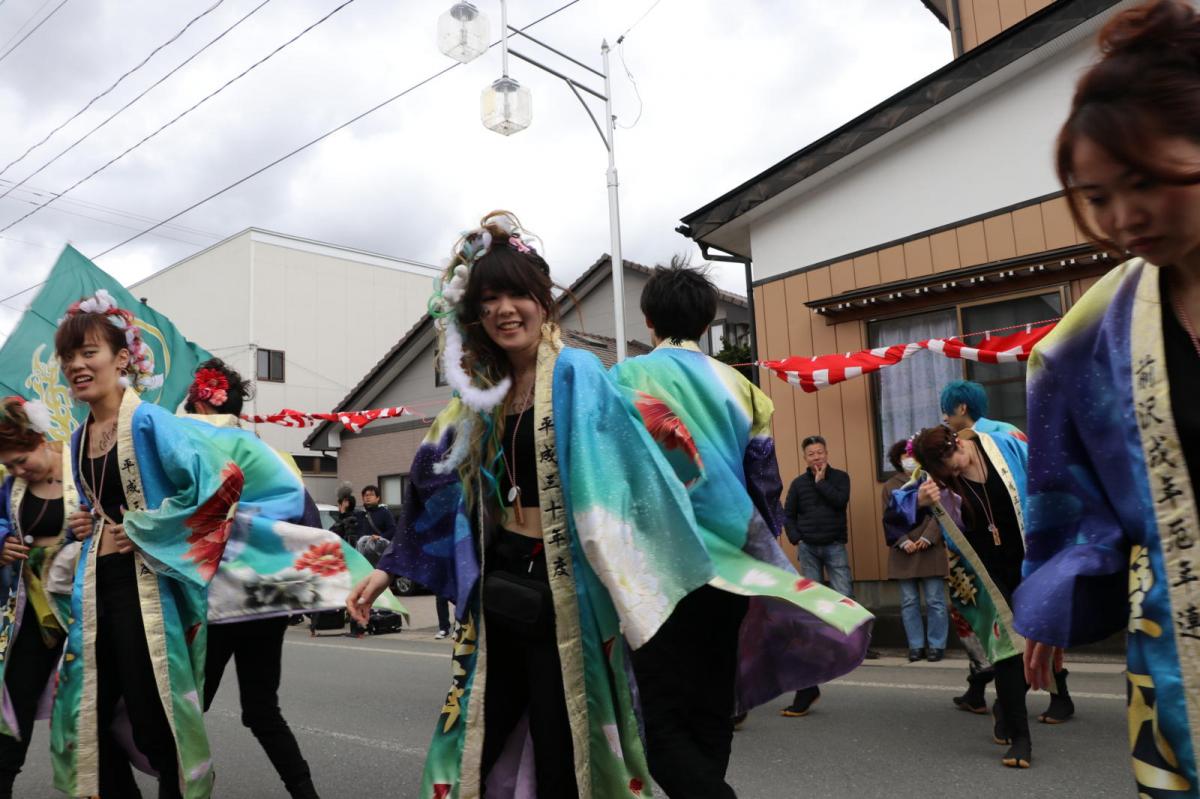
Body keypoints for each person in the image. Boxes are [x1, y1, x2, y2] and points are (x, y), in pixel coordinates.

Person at [346, 211, 871, 797]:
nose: (504, 310)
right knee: (477, 737)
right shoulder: (478, 393)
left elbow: (633, 482)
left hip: (567, 593)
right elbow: (433, 482)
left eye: (518, 293)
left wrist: (699, 567)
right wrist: (389, 565)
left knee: (565, 741)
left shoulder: (580, 375)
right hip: (496, 594)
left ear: (543, 301)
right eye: (488, 298)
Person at [50, 290, 395, 798]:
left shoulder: (154, 422)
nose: (77, 365)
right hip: (121, 587)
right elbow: (108, 503)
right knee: (92, 712)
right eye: (68, 357)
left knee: (165, 716)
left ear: (123, 359)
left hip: (181, 591)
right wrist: (90, 522)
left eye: (89, 353)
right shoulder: (81, 437)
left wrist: (144, 528)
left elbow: (218, 484)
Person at [1012, 1, 1200, 791]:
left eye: (1146, 180)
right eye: (1095, 195)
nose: (1122, 217)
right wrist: (1058, 587)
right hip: (1181, 658)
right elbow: (1078, 491)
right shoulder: (1097, 330)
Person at [610, 262, 871, 798]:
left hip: (660, 571)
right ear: (707, 322)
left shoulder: (624, 381)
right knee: (712, 705)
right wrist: (765, 557)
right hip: (731, 569)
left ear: (648, 318)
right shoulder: (743, 388)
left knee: (657, 719)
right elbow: (765, 484)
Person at [184, 359, 320, 799]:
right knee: (262, 710)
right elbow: (307, 520)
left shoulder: (193, 450)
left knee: (188, 706)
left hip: (219, 601)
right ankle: (305, 793)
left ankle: (192, 783)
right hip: (266, 599)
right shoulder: (273, 458)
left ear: (201, 403)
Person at [888, 425, 1033, 768]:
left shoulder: (1003, 448)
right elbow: (894, 513)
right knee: (1007, 652)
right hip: (984, 573)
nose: (955, 473)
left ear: (958, 443)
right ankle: (1022, 737)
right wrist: (920, 501)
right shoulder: (933, 478)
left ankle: (1007, 707)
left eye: (956, 464)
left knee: (1035, 648)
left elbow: (1045, 475)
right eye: (948, 473)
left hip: (1029, 561)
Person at [0, 396, 69, 799]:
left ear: (41, 439)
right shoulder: (12, 487)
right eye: (10, 465)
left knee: (89, 712)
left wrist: (91, 524)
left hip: (85, 611)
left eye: (22, 459)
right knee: (16, 703)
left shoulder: (82, 469)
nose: (18, 470)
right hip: (32, 612)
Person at [781, 435, 861, 715]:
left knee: (843, 593)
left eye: (820, 452)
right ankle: (822, 646)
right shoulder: (797, 484)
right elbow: (787, 514)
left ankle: (851, 644)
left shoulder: (840, 477)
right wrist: (796, 539)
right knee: (814, 600)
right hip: (809, 547)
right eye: (811, 454)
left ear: (827, 453)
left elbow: (841, 502)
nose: (817, 457)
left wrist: (821, 482)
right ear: (805, 458)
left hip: (834, 543)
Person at [882, 438, 948, 663]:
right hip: (904, 551)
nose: (909, 460)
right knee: (909, 602)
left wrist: (928, 537)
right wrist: (902, 541)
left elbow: (941, 513)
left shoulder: (930, 479)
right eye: (904, 457)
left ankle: (937, 645)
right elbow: (888, 518)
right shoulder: (890, 485)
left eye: (912, 456)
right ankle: (916, 645)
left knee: (935, 601)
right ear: (897, 460)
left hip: (930, 549)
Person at [940, 380, 1027, 440]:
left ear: (962, 408)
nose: (944, 418)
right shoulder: (958, 441)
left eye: (946, 411)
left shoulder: (1006, 432)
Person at [355, 484, 395, 561]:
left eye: (371, 495)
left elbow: (392, 530)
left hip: (378, 554)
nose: (368, 497)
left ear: (378, 498)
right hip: (362, 554)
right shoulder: (360, 514)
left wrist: (380, 537)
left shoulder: (384, 512)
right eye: (365, 495)